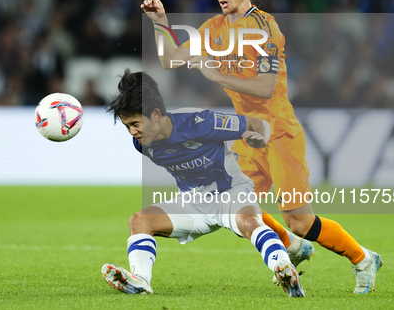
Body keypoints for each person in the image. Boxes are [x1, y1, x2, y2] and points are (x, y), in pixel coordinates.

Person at [141, 0, 382, 294]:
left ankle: (363, 259)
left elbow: (266, 86)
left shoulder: (266, 28)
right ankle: (293, 248)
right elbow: (169, 59)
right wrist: (160, 22)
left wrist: (215, 74)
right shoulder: (214, 29)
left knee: (299, 220)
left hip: (280, 132)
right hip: (248, 135)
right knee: (235, 207)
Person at [101, 70, 305, 298]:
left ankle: (284, 270)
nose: (132, 132)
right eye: (127, 126)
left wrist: (260, 139)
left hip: (230, 193)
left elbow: (259, 124)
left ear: (156, 115)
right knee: (139, 221)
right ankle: (141, 281)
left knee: (250, 223)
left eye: (135, 124)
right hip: (193, 202)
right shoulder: (142, 144)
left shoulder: (200, 122)